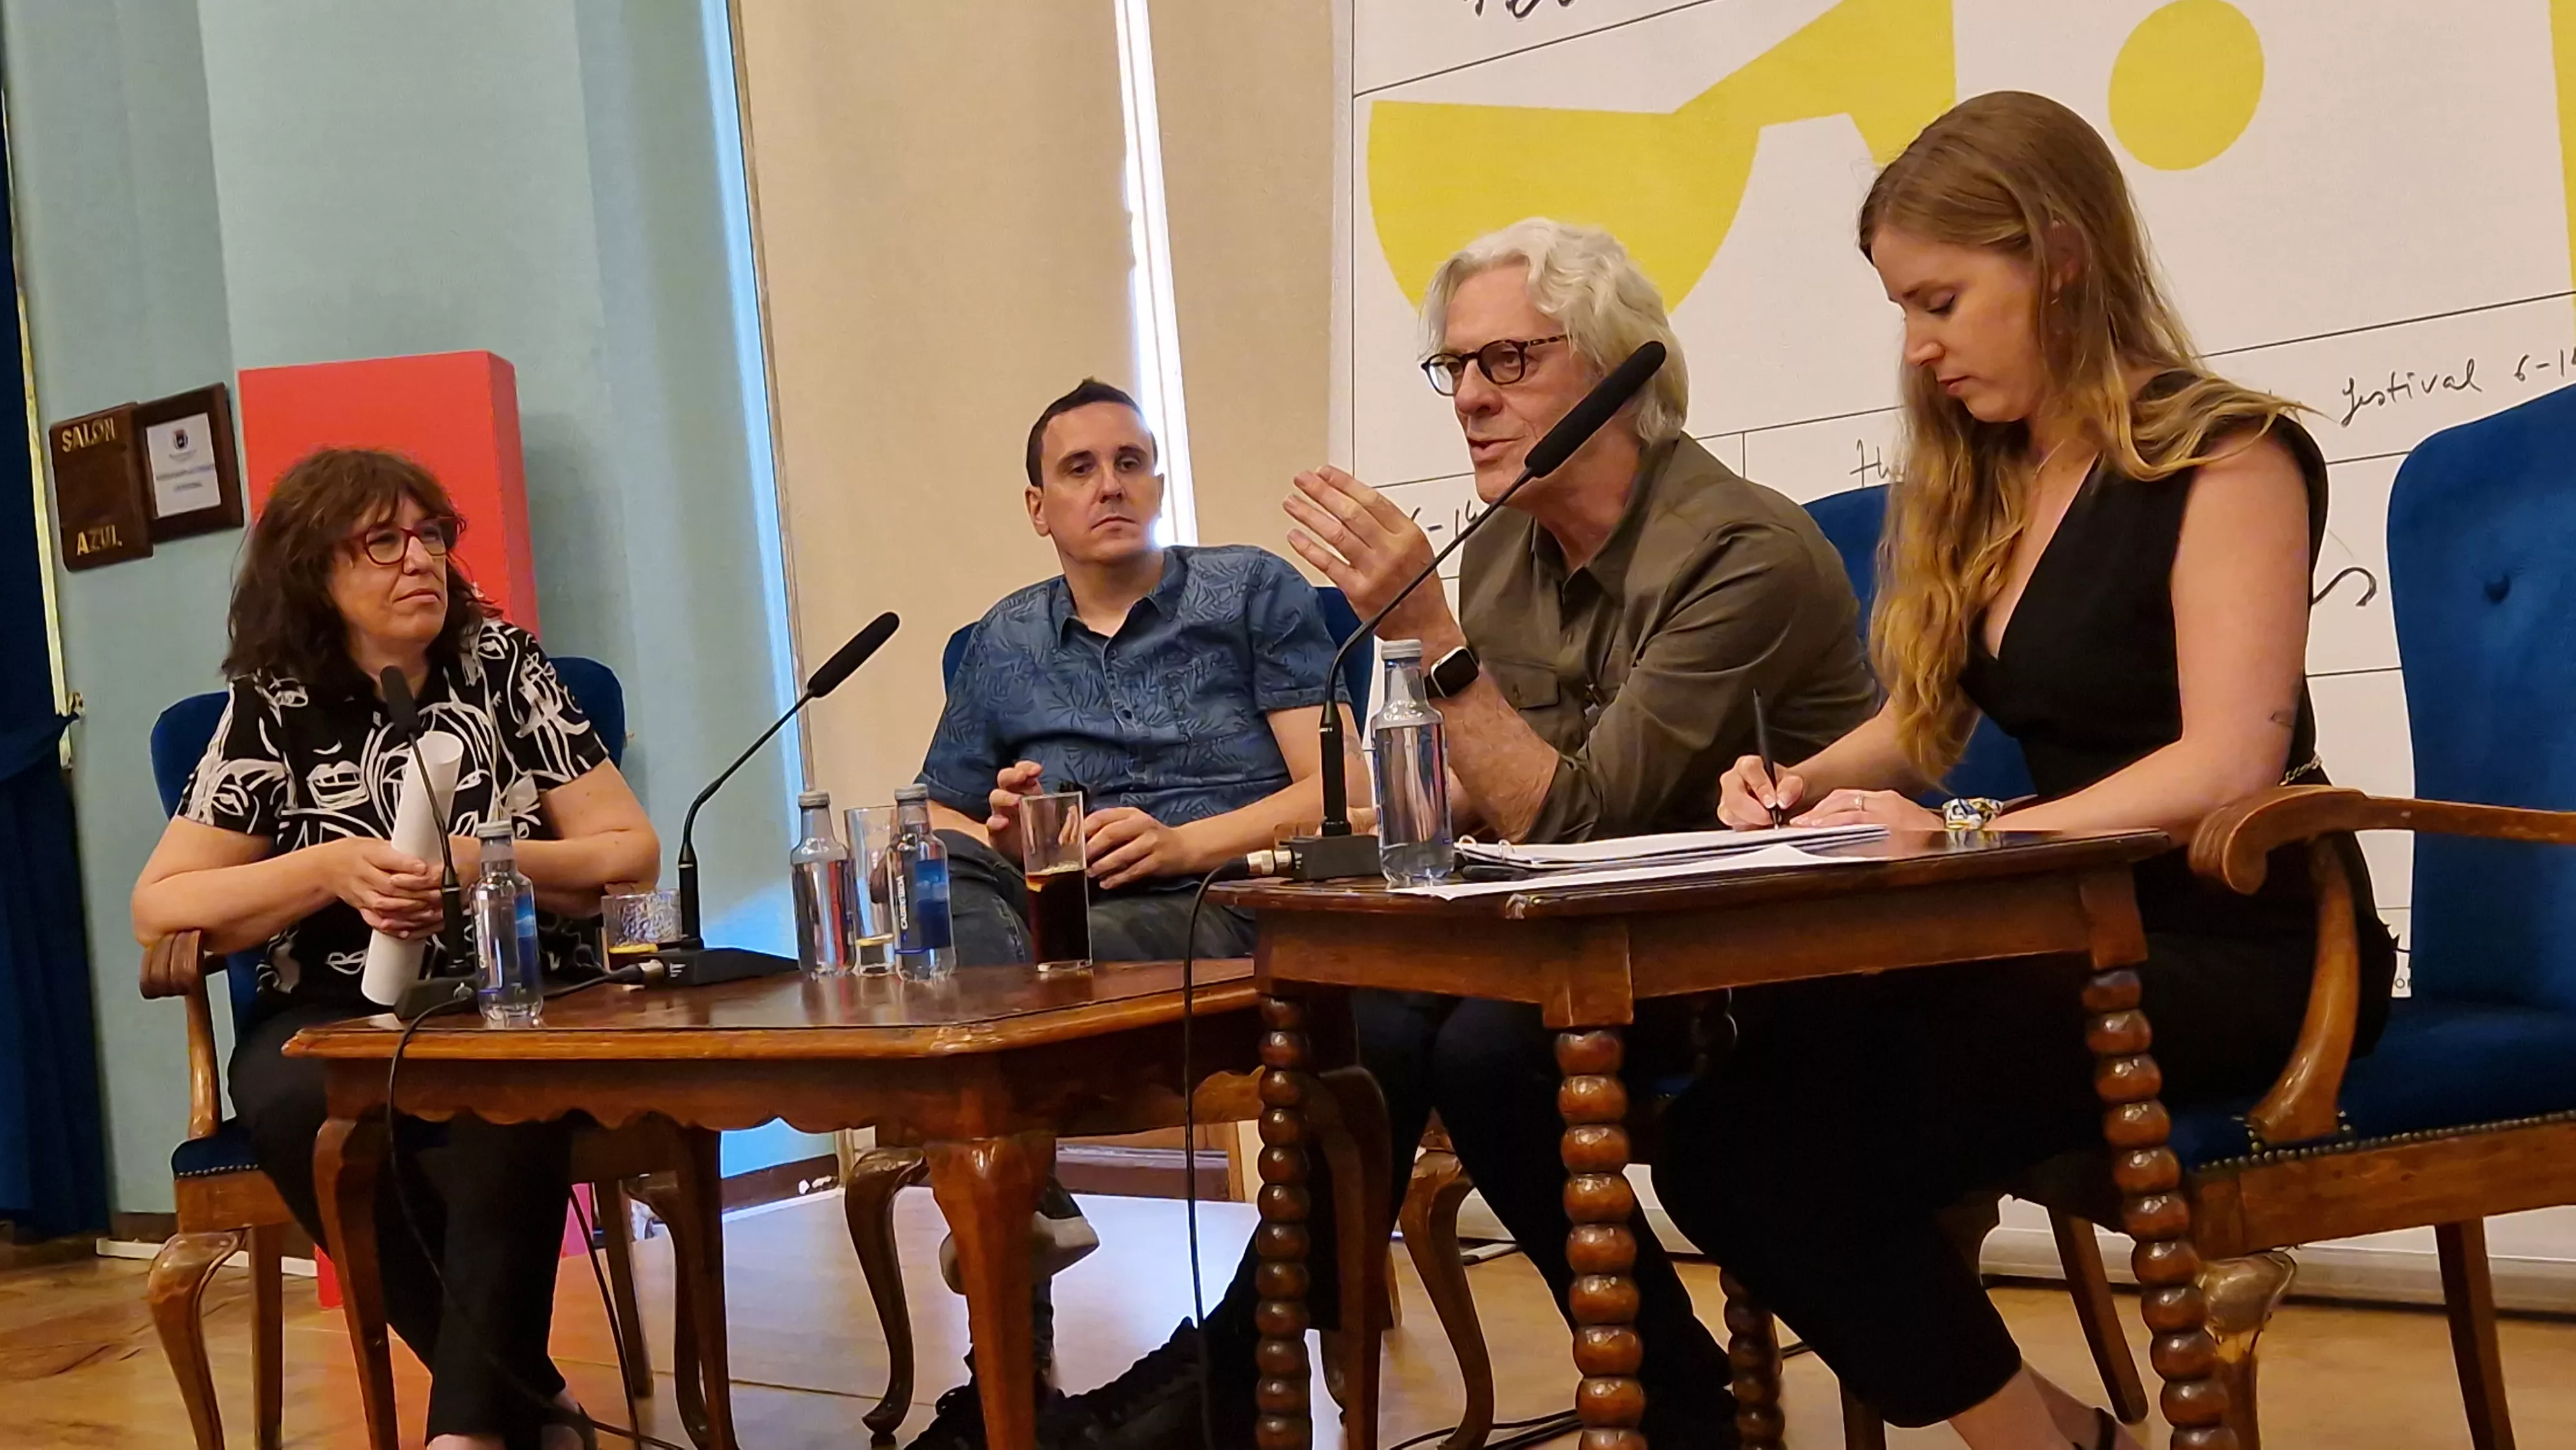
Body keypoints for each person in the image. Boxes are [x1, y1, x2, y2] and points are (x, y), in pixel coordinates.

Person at [1654, 92, 2398, 1450]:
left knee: (1787, 1144)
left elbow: (2225, 762)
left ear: (2058, 255)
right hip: (2069, 931)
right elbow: (1928, 718)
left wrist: (1963, 838)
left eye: (1939, 300)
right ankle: (2062, 1435)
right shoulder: (2003, 475)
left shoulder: (2226, 455)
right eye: (1902, 308)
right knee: (1722, 1139)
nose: (1917, 345)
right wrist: (1797, 783)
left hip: (2237, 939)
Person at [1068, 220, 1877, 1450]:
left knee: (1498, 1053)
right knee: (1374, 1023)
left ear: (1621, 375)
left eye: (1510, 361)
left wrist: (1428, 634)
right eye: (1456, 368)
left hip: (1769, 955)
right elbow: (1473, 800)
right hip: (1577, 942)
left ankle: (1661, 1397)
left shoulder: (1739, 547)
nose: (1473, 400)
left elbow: (1578, 817)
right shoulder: (1503, 549)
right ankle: (1237, 1376)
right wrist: (1315, 844)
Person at [131, 448, 659, 1450]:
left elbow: (626, 850)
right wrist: (328, 868)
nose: (421, 560)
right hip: (332, 1008)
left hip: (513, 988)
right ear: (313, 568)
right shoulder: (276, 703)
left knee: (506, 1094)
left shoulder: (502, 665)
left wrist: (483, 858)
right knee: (294, 1100)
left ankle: (468, 1434)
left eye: (432, 535)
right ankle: (526, 1402)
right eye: (382, 541)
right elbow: (160, 907)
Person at [904, 377, 1350, 1449]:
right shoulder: (1005, 638)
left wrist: (1186, 842)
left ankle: (1005, 1352)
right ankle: (1026, 1282)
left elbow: (1344, 788)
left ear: (1156, 478)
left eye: (1130, 462)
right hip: (1061, 918)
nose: (1111, 485)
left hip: (1221, 903)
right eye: (1080, 469)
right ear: (1038, 507)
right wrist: (1004, 834)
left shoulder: (1248, 591)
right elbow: (937, 809)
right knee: (943, 881)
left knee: (1018, 976)